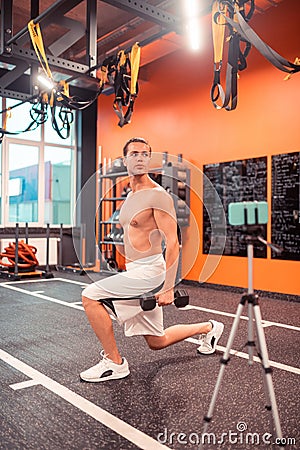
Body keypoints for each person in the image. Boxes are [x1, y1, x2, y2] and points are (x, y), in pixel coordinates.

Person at [80, 137, 224, 382]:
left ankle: (115, 363)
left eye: (145, 154)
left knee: (90, 296)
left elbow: (173, 242)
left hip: (150, 272)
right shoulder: (130, 195)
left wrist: (168, 287)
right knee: (157, 341)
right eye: (134, 153)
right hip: (135, 270)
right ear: (124, 160)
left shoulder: (158, 196)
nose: (140, 158)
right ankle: (210, 328)